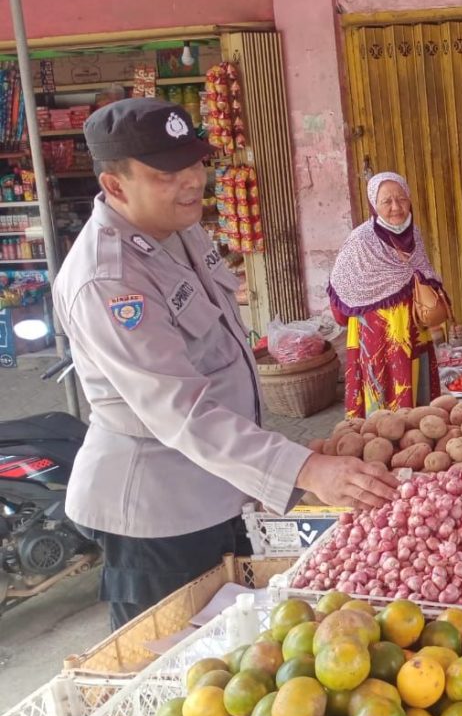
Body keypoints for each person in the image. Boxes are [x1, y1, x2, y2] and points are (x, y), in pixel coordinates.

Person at [53, 99, 399, 629]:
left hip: (221, 489)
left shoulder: (181, 230)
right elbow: (183, 412)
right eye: (167, 172)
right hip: (158, 516)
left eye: (194, 162)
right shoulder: (109, 279)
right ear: (116, 186)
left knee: (235, 642)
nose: (192, 180)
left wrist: (284, 461)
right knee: (177, 675)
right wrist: (303, 470)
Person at [328, 172, 448, 417]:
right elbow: (340, 289)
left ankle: (417, 434)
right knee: (382, 393)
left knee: (416, 388)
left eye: (401, 199)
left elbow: (423, 269)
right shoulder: (361, 240)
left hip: (413, 327)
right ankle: (380, 439)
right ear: (374, 204)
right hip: (377, 334)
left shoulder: (414, 233)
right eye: (387, 202)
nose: (396, 207)